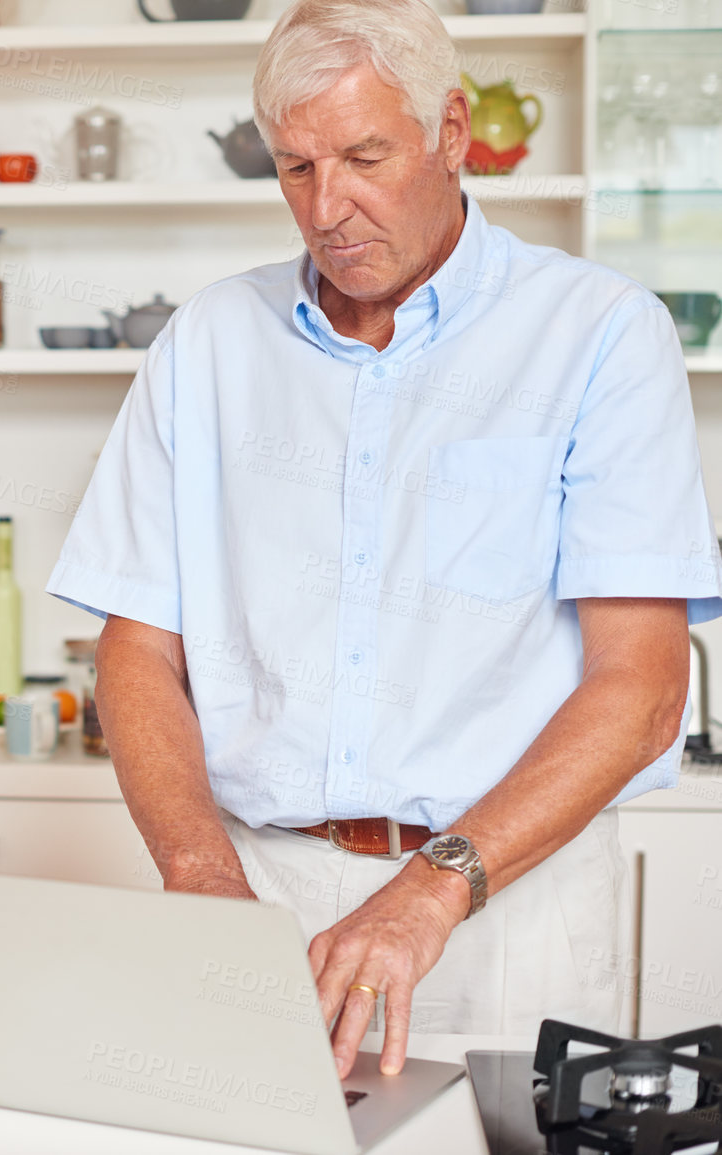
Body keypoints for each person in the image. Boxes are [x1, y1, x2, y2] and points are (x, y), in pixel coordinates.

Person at [48, 0, 721, 1078]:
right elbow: (138, 648)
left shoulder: (600, 336)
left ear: (452, 134)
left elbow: (640, 696)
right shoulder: (210, 343)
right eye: (297, 166)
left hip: (505, 901)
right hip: (256, 893)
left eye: (365, 156)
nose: (329, 206)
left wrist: (429, 892)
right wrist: (199, 874)